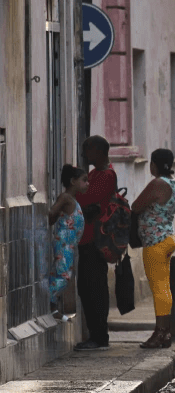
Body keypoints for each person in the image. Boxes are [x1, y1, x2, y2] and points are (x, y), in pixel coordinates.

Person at [74, 135, 119, 351]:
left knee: (93, 287)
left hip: (96, 239)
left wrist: (73, 190)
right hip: (88, 237)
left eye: (88, 150)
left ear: (99, 152)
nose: (85, 155)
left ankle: (99, 335)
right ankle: (97, 333)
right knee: (87, 286)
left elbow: (85, 197)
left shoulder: (105, 175)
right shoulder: (95, 173)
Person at [132, 149, 175, 349]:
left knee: (159, 288)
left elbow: (136, 206)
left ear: (155, 165)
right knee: (164, 287)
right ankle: (164, 332)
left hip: (155, 242)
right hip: (166, 237)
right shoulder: (172, 183)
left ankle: (161, 333)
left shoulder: (157, 183)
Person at [48, 165, 88, 316]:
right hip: (63, 243)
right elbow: (52, 212)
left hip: (69, 245)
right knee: (64, 276)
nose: (87, 183)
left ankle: (53, 306)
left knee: (61, 274)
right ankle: (50, 302)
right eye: (84, 180)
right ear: (73, 181)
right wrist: (54, 215)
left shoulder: (73, 200)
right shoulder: (65, 198)